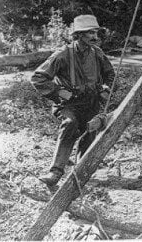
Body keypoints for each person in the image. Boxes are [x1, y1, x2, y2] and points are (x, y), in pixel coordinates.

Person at [31, 14, 115, 187]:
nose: (95, 37)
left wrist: (106, 88)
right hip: (69, 104)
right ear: (78, 35)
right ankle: (55, 172)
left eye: (95, 32)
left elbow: (111, 75)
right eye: (90, 33)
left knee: (90, 131)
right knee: (70, 124)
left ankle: (81, 172)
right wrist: (60, 92)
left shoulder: (97, 53)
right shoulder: (63, 54)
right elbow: (38, 78)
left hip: (91, 103)